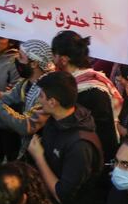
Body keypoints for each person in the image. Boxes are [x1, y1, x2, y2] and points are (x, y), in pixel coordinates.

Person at [26, 72, 104, 204]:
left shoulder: (79, 145)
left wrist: (39, 156)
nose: (39, 100)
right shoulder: (55, 122)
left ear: (53, 102)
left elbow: (63, 194)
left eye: (42, 96)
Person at [51, 31, 121, 162]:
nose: (52, 60)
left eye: (54, 55)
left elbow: (104, 132)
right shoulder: (70, 82)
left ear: (64, 59)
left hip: (92, 158)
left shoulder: (92, 90)